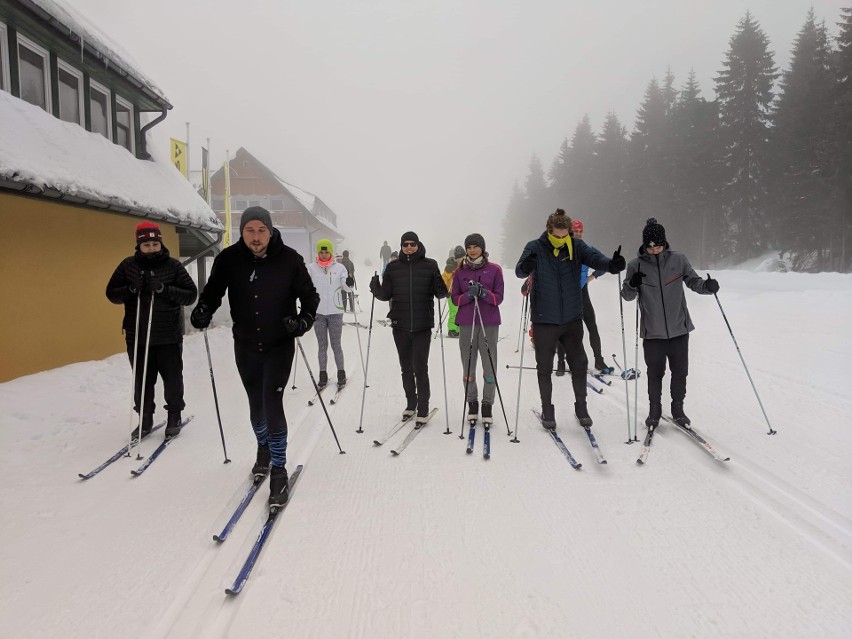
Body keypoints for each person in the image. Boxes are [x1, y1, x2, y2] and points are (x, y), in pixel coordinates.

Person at [190, 207, 319, 507]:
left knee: (272, 403)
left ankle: (278, 469)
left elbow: (310, 298)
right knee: (255, 405)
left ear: (270, 231)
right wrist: (203, 310)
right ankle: (263, 447)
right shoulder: (228, 259)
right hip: (246, 344)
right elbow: (212, 293)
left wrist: (303, 321)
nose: (256, 237)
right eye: (250, 230)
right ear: (242, 232)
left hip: (279, 344)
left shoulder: (289, 260)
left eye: (262, 230)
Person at [516, 209, 625, 430]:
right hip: (544, 319)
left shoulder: (576, 246)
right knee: (544, 367)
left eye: (564, 235)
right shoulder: (535, 247)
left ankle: (581, 407)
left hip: (571, 318)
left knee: (579, 363)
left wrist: (611, 265)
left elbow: (596, 259)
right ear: (549, 230)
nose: (560, 239)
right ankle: (548, 409)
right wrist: (529, 264)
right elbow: (520, 271)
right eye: (556, 235)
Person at [620, 218, 719, 429]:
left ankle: (678, 408)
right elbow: (627, 296)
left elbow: (694, 281)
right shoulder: (634, 265)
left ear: (665, 243)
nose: (654, 250)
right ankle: (654, 409)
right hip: (652, 331)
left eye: (658, 245)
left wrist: (708, 287)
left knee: (680, 371)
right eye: (650, 246)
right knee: (655, 373)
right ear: (644, 245)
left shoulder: (679, 260)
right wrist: (632, 283)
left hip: (679, 328)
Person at [106, 222, 197, 440]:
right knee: (142, 380)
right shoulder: (128, 266)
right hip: (137, 335)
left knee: (173, 378)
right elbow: (111, 294)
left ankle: (174, 415)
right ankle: (145, 419)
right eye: (146, 244)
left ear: (160, 243)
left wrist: (164, 289)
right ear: (139, 245)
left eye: (155, 243)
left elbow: (190, 294)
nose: (151, 248)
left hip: (168, 335)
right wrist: (130, 289)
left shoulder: (174, 266)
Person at [370, 232, 448, 424]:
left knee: (420, 368)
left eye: (412, 244)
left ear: (418, 245)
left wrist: (440, 285)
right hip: (400, 324)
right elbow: (385, 295)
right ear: (402, 246)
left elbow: (441, 294)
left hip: (422, 325)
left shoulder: (430, 265)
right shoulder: (393, 267)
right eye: (406, 244)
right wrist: (375, 288)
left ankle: (423, 408)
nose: (409, 247)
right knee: (406, 368)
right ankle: (411, 404)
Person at [450, 234, 504, 426]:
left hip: (488, 322)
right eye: (469, 247)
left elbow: (499, 298)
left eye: (475, 247)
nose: (472, 250)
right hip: (466, 323)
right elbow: (455, 299)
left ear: (482, 248)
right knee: (468, 366)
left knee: (489, 366)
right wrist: (467, 296)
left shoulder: (494, 269)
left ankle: (487, 404)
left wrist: (483, 293)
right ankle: (471, 402)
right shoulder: (460, 272)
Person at [556, 218, 612, 374]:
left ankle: (599, 361)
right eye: (575, 232)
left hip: (582, 292)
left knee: (592, 326)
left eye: (581, 231)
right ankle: (561, 363)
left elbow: (604, 263)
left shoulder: (588, 248)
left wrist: (592, 277)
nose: (578, 234)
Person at [307, 239, 352, 389]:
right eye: (321, 252)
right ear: (318, 253)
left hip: (335, 312)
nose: (324, 255)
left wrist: (349, 282)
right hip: (318, 313)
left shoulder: (339, 268)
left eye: (327, 252)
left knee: (336, 344)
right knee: (322, 345)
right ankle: (323, 374)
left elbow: (346, 287)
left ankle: (341, 372)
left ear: (331, 253)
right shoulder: (311, 268)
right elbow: (305, 287)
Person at [442, 245, 465, 338]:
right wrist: (444, 289)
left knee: (462, 311)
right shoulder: (451, 268)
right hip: (452, 293)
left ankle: (459, 329)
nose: (461, 259)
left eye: (463, 257)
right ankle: (452, 329)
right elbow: (443, 279)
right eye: (458, 258)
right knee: (454, 311)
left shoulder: (467, 266)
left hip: (463, 294)